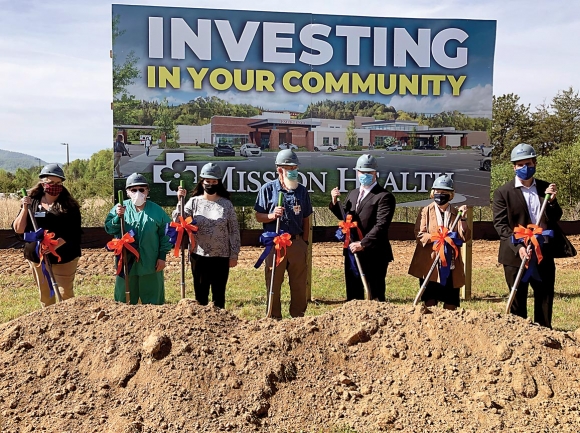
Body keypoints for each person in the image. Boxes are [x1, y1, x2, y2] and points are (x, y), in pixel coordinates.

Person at [493, 143, 570, 328]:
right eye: (520, 164)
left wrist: (551, 202)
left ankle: (544, 333)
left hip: (542, 251)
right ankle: (521, 335)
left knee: (544, 296)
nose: (524, 168)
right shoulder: (503, 193)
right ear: (514, 167)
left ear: (534, 163)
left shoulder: (545, 188)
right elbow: (500, 225)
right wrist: (518, 247)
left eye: (528, 163)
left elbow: (556, 217)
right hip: (515, 254)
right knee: (517, 298)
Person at [12, 164, 82, 307]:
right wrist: (25, 208)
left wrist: (55, 245)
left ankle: (68, 322)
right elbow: (19, 229)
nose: (55, 186)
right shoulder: (32, 202)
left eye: (59, 183)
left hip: (64, 257)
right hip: (38, 257)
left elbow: (74, 231)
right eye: (51, 183)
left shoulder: (69, 205)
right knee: (46, 295)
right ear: (43, 183)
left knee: (65, 294)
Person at [254, 149, 313, 318]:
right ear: (280, 169)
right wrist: (272, 215)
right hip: (275, 245)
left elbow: (306, 218)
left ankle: (298, 317)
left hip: (296, 244)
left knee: (299, 284)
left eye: (295, 167)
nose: (294, 171)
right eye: (290, 167)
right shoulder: (267, 189)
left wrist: (304, 242)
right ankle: (273, 317)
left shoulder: (301, 191)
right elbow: (258, 216)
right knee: (273, 282)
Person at [173, 163, 241, 308]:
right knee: (200, 296)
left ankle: (221, 326)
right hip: (198, 255)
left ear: (219, 182)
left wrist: (234, 254)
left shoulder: (227, 205)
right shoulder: (193, 202)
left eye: (214, 181)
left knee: (219, 297)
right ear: (202, 181)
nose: (210, 184)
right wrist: (180, 200)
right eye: (207, 181)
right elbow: (178, 220)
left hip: (221, 256)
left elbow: (234, 230)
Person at [329, 154, 396, 301]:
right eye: (361, 172)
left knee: (375, 294)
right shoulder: (353, 194)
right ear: (357, 173)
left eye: (368, 172)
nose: (364, 175)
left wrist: (363, 244)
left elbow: (381, 225)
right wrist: (334, 202)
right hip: (352, 251)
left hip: (374, 252)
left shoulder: (384, 197)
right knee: (353, 294)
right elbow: (345, 217)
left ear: (375, 173)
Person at [104, 173, 172, 305]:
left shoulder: (157, 211)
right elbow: (109, 229)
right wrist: (118, 217)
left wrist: (162, 256)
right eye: (133, 190)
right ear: (127, 192)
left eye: (141, 189)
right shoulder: (119, 208)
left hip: (151, 262)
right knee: (124, 301)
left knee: (153, 302)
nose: (138, 193)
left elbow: (167, 234)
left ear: (147, 191)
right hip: (126, 261)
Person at [407, 175, 470, 310]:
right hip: (430, 263)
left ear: (451, 195)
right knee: (430, 302)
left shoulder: (456, 213)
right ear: (432, 192)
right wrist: (438, 237)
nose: (440, 195)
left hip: (451, 265)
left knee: (451, 303)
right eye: (437, 192)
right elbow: (419, 234)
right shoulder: (425, 211)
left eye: (444, 193)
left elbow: (465, 237)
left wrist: (463, 219)